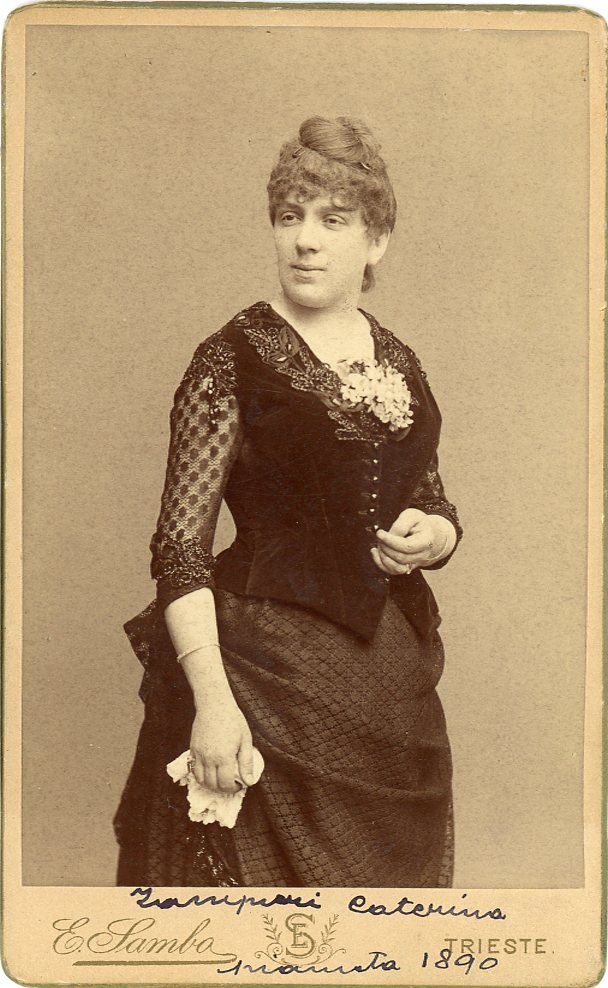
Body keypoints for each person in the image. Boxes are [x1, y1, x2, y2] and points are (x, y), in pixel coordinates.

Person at [114, 115, 462, 888]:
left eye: (332, 220)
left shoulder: (400, 360)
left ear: (376, 240)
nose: (304, 240)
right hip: (259, 681)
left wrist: (433, 534)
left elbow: (432, 498)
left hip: (390, 697)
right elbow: (179, 552)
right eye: (288, 216)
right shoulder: (230, 359)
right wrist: (212, 702)